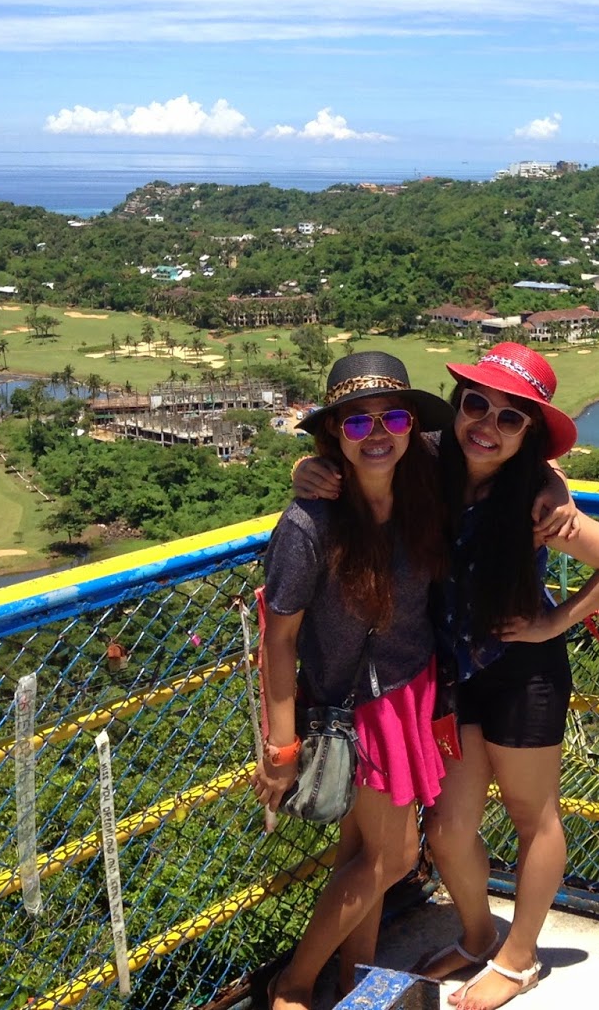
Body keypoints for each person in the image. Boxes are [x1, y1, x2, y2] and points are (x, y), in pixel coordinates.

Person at [294, 343, 599, 1010]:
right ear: (456, 408)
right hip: (454, 679)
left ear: (530, 435)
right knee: (449, 830)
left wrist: (554, 621)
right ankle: (483, 934)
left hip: (523, 676)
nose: (488, 423)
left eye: (510, 418)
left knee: (531, 816)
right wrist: (306, 466)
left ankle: (520, 959)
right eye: (476, 404)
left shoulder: (536, 502)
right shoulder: (428, 461)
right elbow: (356, 444)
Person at [252, 351, 455, 1010]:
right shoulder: (308, 523)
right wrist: (281, 748)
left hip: (409, 688)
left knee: (362, 855)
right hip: (354, 709)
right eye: (355, 421)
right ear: (332, 433)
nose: (377, 432)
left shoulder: (422, 475)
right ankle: (294, 984)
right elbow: (278, 641)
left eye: (392, 416)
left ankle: (356, 982)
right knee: (391, 857)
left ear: (411, 425)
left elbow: (509, 440)